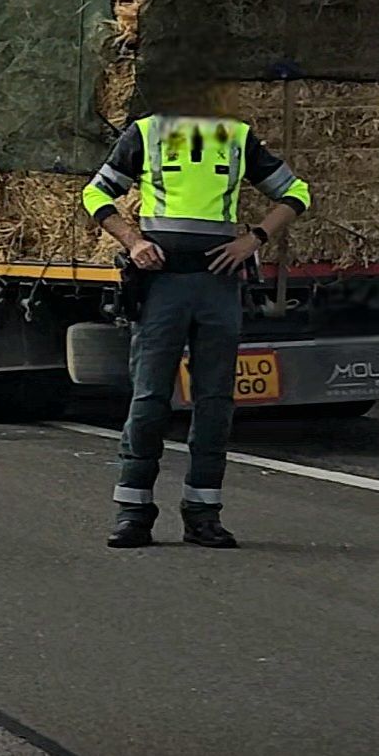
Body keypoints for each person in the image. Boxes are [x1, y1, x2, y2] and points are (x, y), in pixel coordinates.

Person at [81, 113, 311, 549]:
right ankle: (133, 512)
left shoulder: (236, 135)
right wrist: (133, 242)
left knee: (215, 402)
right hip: (163, 285)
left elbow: (296, 192)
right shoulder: (147, 132)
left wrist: (254, 238)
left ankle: (203, 514)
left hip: (217, 286)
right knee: (149, 400)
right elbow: (95, 193)